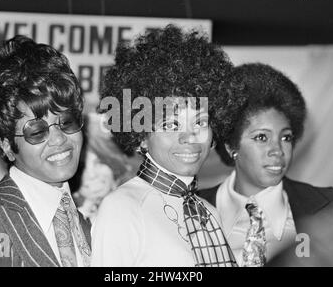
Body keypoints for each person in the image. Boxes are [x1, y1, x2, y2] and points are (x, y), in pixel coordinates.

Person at [91, 24, 237, 267]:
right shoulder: (123, 209)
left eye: (199, 121)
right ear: (142, 136)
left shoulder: (209, 214)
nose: (189, 137)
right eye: (171, 125)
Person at [0, 35, 91, 267]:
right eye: (36, 131)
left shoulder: (88, 228)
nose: (58, 138)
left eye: (67, 121)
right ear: (7, 146)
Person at [198, 63, 333, 266]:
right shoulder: (190, 210)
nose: (277, 150)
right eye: (261, 137)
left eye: (286, 138)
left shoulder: (325, 207)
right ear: (230, 146)